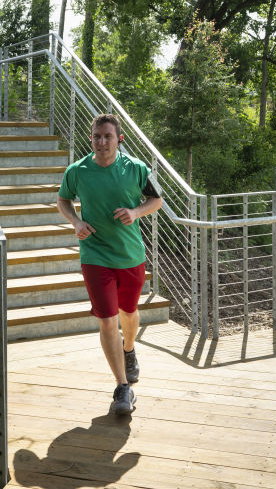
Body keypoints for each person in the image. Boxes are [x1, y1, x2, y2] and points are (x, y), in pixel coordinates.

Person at [56, 113, 162, 415]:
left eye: (107, 136)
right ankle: (122, 388)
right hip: (94, 254)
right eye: (96, 136)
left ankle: (129, 350)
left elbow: (157, 200)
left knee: (128, 312)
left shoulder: (137, 169)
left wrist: (135, 212)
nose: (101, 141)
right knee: (106, 318)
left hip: (130, 255)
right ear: (91, 139)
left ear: (119, 140)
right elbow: (63, 200)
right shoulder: (77, 171)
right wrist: (76, 221)